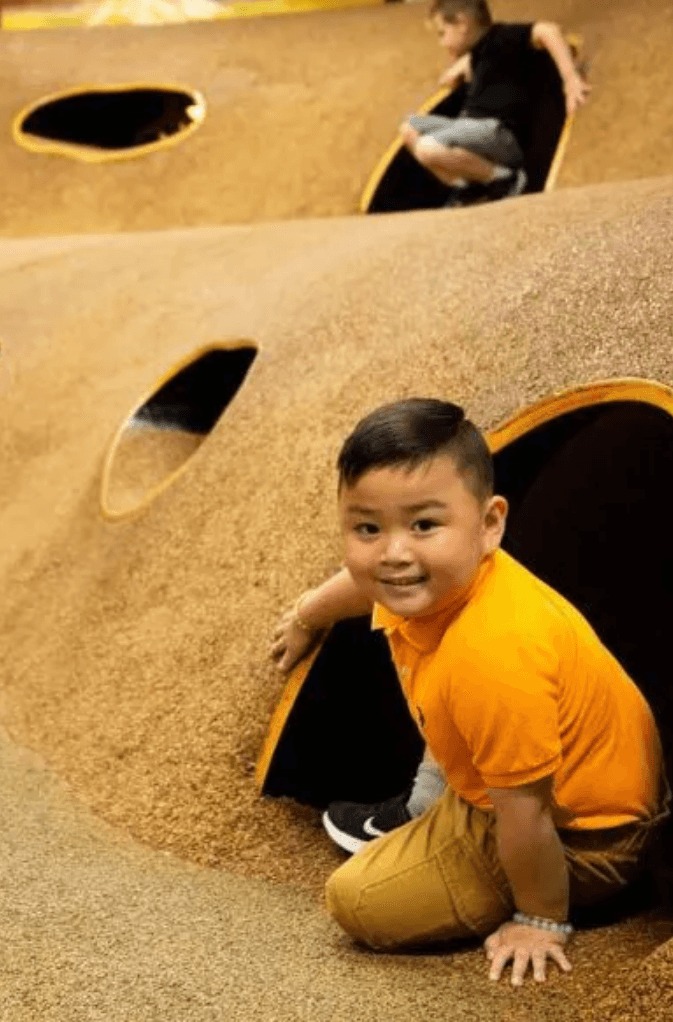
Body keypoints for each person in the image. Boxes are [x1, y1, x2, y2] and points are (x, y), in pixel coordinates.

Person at [269, 399, 667, 986]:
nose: (395, 552)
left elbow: (527, 816)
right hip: (554, 771)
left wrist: (541, 919)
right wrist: (309, 614)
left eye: (425, 524)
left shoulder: (491, 652)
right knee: (455, 697)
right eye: (367, 527)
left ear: (490, 525)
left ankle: (573, 885)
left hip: (584, 833)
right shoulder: (446, 582)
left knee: (357, 899)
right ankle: (433, 803)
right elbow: (368, 582)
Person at [399, 0, 590, 206]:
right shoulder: (478, 53)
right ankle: (469, 185)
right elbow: (485, 61)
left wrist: (570, 80)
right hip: (473, 130)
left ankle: (505, 179)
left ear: (462, 24)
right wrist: (463, 64)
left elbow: (548, 30)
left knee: (427, 148)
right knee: (409, 128)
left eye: (443, 33)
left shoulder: (503, 37)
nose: (442, 43)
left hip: (499, 133)